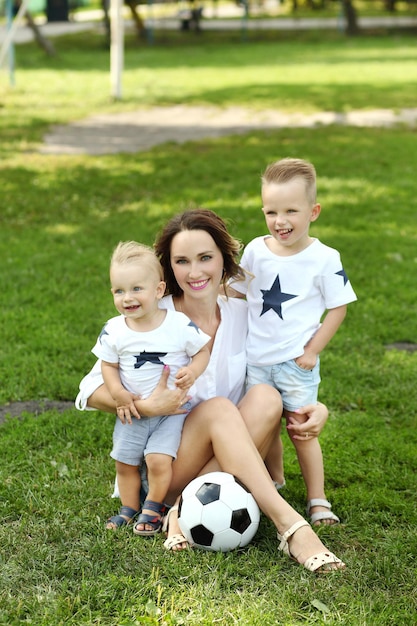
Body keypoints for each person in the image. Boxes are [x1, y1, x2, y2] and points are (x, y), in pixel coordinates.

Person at [76, 209, 345, 573]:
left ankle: (181, 512)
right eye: (181, 261)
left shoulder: (243, 311)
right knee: (219, 408)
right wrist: (147, 405)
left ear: (223, 259)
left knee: (267, 396)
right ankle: (290, 525)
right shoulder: (152, 317)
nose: (195, 272)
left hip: (226, 451)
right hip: (164, 465)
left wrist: (314, 407)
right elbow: (89, 390)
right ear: (168, 269)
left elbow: (279, 368)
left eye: (205, 258)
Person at [228, 158, 357, 526]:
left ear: (313, 211)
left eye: (290, 211)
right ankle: (274, 479)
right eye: (271, 211)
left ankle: (318, 500)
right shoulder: (255, 249)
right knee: (266, 426)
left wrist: (312, 350)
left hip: (295, 362)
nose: (280, 221)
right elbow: (236, 293)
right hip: (256, 360)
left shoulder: (324, 258)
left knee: (301, 429)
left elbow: (338, 309)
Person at [88, 241, 210, 532]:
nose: (127, 298)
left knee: (157, 459)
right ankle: (129, 508)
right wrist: (118, 393)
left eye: (136, 289)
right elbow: (108, 365)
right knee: (125, 463)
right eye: (119, 291)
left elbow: (202, 351)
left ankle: (153, 507)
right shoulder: (114, 329)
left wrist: (192, 371)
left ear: (158, 290)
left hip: (172, 412)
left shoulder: (179, 325)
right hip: (133, 412)